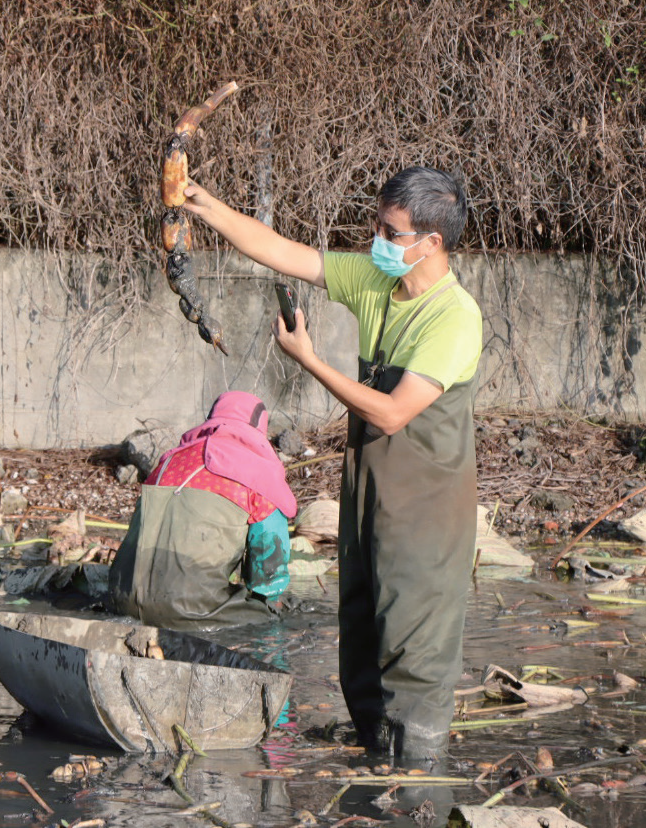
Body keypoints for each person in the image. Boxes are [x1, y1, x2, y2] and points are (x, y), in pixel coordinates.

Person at [183, 167, 483, 759]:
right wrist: (202, 204)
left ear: (432, 242)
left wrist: (310, 361)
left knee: (413, 648)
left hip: (425, 514)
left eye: (390, 231)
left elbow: (394, 413)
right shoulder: (375, 278)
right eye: (378, 223)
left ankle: (416, 781)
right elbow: (281, 252)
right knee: (361, 636)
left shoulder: (454, 318)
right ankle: (374, 763)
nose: (377, 238)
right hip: (367, 497)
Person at [108, 391, 297, 630]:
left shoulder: (169, 461)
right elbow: (268, 569)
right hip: (193, 612)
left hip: (120, 599)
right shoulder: (257, 471)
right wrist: (268, 601)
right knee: (277, 612)